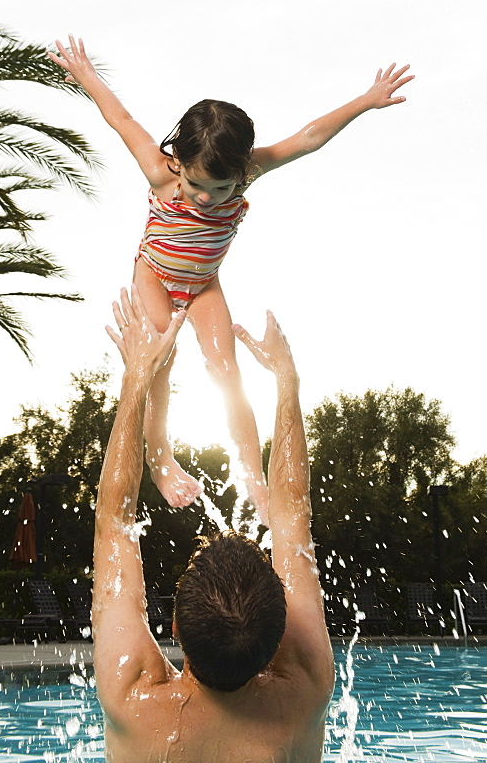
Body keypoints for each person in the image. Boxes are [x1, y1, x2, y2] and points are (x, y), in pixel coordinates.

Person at [49, 35, 413, 522]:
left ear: (240, 170)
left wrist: (366, 101)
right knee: (159, 364)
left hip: (203, 285)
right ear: (178, 162)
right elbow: (122, 120)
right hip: (155, 275)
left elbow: (306, 139)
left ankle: (254, 479)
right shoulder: (161, 173)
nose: (204, 198)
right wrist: (86, 74)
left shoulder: (250, 172)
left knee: (228, 370)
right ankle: (160, 462)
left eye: (219, 188)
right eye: (196, 185)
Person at [92, 284, 335, 763]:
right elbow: (291, 519)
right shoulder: (303, 689)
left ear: (176, 625)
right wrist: (287, 381)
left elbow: (112, 522)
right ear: (279, 636)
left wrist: (139, 373)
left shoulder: (133, 697)